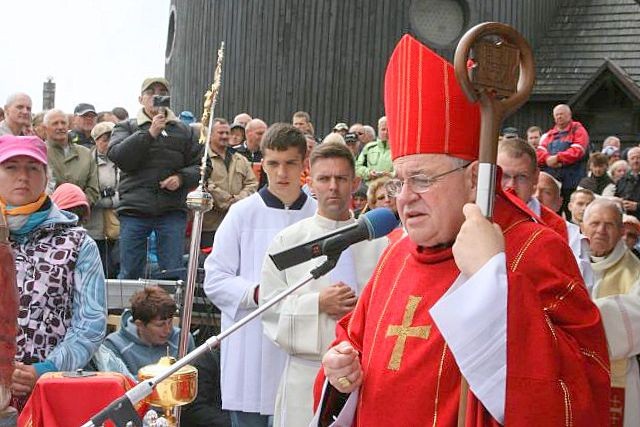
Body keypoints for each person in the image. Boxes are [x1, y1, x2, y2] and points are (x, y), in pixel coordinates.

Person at [314, 34, 609, 426]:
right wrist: (340, 375)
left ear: (473, 179)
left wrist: (492, 279)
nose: (404, 198)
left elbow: (579, 394)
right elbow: (351, 346)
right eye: (397, 182)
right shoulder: (396, 255)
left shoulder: (532, 250)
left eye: (421, 179)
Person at [260, 141, 388, 426]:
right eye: (324, 178)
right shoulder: (288, 243)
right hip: (306, 375)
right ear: (310, 183)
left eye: (341, 178)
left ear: (355, 183)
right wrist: (317, 302)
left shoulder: (380, 244)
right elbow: (268, 310)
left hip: (365, 376)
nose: (333, 187)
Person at [204, 123, 317, 426]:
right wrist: (258, 293)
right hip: (251, 346)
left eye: (290, 163)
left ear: (304, 164)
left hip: (303, 347)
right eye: (274, 164)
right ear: (261, 164)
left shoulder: (318, 216)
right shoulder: (242, 214)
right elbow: (215, 278)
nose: (282, 173)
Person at [0, 135, 106, 410]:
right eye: (11, 167)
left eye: (33, 168)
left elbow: (90, 324)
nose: (22, 176)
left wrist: (45, 369)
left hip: (52, 392)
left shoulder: (79, 243)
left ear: (47, 176)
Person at [107, 77, 204, 280]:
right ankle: (130, 312)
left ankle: (170, 312)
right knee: (131, 271)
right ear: (141, 98)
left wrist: (181, 177)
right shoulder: (126, 127)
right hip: (134, 211)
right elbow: (119, 157)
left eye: (162, 91)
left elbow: (204, 166)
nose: (157, 96)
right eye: (151, 92)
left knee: (172, 272)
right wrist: (149, 133)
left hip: (171, 211)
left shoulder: (184, 131)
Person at [582, 199, 640, 426]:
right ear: (583, 227)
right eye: (595, 223)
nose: (601, 231)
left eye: (609, 224)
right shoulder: (567, 259)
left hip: (618, 377)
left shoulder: (634, 271)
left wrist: (581, 314)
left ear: (621, 231)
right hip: (571, 373)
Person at [100, 286, 194, 378]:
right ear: (139, 324)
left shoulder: (183, 339)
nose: (168, 330)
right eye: (160, 325)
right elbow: (119, 386)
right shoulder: (114, 345)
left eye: (170, 322)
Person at [202, 118, 258, 248]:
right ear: (210, 135)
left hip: (238, 225)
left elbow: (252, 183)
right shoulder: (203, 159)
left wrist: (238, 201)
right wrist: (228, 202)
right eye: (221, 133)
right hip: (210, 226)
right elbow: (206, 185)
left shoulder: (240, 159)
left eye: (227, 133)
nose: (225, 136)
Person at [536, 103, 590, 217]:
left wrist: (557, 158)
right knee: (551, 213)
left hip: (572, 182)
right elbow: (539, 152)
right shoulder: (548, 135)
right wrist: (547, 159)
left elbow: (578, 150)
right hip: (552, 183)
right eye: (556, 115)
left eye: (561, 114)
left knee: (572, 214)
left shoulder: (578, 130)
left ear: (569, 115)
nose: (559, 117)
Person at [84, 121, 121, 278]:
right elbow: (90, 193)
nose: (108, 143)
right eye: (104, 139)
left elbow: (127, 189)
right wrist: (108, 199)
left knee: (116, 265)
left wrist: (111, 199)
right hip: (94, 226)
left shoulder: (123, 161)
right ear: (96, 140)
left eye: (112, 139)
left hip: (118, 224)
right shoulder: (87, 162)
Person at [44, 109, 99, 205]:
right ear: (45, 128)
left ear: (68, 126)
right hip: (48, 214)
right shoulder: (40, 152)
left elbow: (93, 189)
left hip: (79, 213)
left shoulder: (85, 153)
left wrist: (78, 204)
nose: (60, 127)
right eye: (55, 123)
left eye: (63, 123)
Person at [355, 116, 393, 183]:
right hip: (370, 189)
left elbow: (403, 170)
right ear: (378, 130)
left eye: (389, 129)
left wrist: (390, 175)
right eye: (383, 129)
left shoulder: (398, 149)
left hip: (391, 188)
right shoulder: (369, 148)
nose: (386, 132)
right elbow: (357, 167)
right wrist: (369, 173)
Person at [236, 118, 268, 189]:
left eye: (266, 133)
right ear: (247, 133)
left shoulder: (269, 154)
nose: (264, 137)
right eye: (260, 133)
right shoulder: (233, 153)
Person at [614, 146, 640, 221]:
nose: (635, 161)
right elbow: (616, 196)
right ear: (628, 161)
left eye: (638, 158)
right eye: (632, 158)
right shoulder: (622, 180)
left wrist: (637, 206)